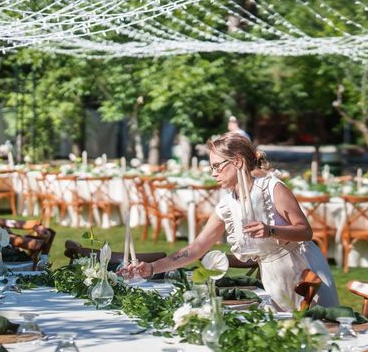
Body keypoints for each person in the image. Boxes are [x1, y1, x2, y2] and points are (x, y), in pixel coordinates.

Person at [126, 132, 340, 311]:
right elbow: (196, 248)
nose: (213, 173)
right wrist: (152, 268)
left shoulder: (272, 188)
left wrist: (271, 231)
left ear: (237, 162)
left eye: (217, 166)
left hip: (304, 270)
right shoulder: (227, 205)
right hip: (272, 278)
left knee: (321, 334)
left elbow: (305, 231)